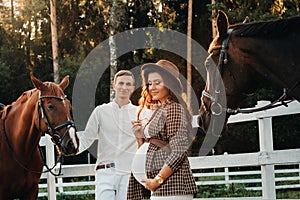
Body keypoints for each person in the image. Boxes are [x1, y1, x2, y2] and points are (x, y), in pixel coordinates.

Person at [128, 60, 198, 200]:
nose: (152, 87)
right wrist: (139, 137)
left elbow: (179, 149)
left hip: (173, 185)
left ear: (168, 85)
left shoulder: (173, 108)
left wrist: (158, 180)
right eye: (149, 83)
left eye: (157, 82)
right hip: (161, 186)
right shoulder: (161, 109)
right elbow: (151, 149)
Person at [76, 70, 138, 200]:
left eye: (128, 84)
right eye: (121, 83)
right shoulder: (100, 111)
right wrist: (69, 151)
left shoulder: (139, 113)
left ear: (133, 88)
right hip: (104, 172)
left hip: (128, 173)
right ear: (114, 85)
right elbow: (87, 139)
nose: (124, 87)